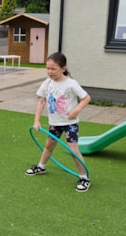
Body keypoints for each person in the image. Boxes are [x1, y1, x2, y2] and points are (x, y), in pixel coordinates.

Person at [25, 52, 92, 193]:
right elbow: (41, 101)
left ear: (63, 68)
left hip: (70, 123)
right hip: (54, 123)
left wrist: (76, 110)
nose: (49, 72)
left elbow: (86, 98)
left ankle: (84, 178)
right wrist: (36, 121)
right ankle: (41, 167)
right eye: (48, 68)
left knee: (73, 150)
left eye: (53, 68)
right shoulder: (47, 83)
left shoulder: (71, 83)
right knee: (49, 146)